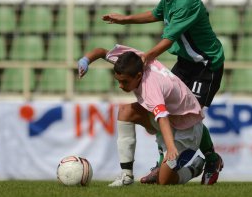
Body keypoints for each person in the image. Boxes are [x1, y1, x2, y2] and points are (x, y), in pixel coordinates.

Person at [101, 0, 224, 185]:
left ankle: (210, 159)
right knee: (166, 110)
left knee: (191, 116)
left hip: (206, 65)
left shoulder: (188, 1)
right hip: (186, 63)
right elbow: (157, 14)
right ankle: (162, 165)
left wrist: (146, 56)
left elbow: (168, 39)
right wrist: (126, 19)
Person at [78, 44, 210, 185]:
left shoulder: (151, 88)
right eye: (118, 81)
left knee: (164, 180)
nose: (120, 86)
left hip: (187, 127)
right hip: (171, 117)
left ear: (139, 76)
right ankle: (126, 176)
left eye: (125, 82)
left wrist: (171, 147)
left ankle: (193, 170)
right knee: (125, 111)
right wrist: (85, 61)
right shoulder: (132, 62)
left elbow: (162, 117)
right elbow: (100, 51)